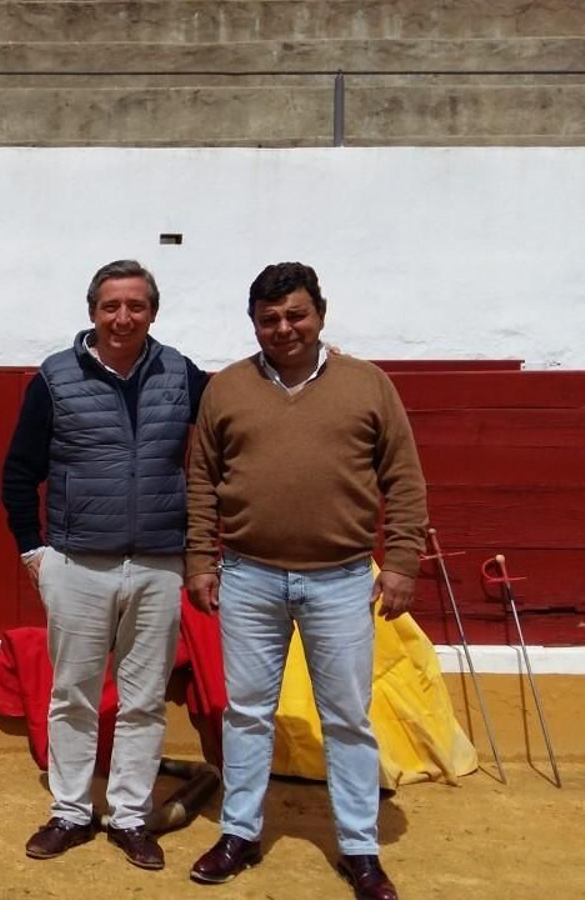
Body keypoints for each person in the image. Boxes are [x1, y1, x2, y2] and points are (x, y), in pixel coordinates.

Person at [185, 262, 425, 900]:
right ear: (254, 323)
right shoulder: (227, 389)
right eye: (270, 319)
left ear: (320, 312)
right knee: (246, 715)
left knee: (347, 717)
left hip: (342, 579)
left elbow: (403, 478)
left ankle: (359, 848)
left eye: (296, 315)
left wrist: (401, 562)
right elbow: (202, 481)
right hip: (247, 576)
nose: (284, 328)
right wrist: (201, 562)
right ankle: (239, 832)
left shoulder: (368, 385)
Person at [0, 260, 208, 872]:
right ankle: (69, 811)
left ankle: (130, 816)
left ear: (153, 311)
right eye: (111, 306)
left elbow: (239, 423)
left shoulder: (183, 374)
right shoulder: (54, 378)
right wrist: (32, 550)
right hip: (77, 562)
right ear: (92, 311)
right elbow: (19, 473)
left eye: (135, 306)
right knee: (73, 694)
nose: (123, 318)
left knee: (144, 698)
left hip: (158, 562)